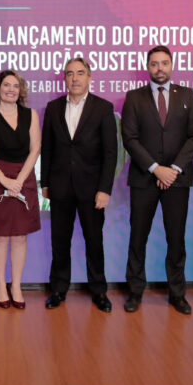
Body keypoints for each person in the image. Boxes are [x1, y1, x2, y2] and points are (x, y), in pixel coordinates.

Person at [120, 45, 193, 315]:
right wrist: (156, 169)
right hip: (144, 179)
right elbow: (130, 139)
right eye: (154, 64)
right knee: (138, 237)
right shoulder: (134, 97)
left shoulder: (187, 95)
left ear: (172, 65)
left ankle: (177, 293)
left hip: (177, 180)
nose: (159, 68)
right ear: (148, 67)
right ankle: (135, 292)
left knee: (175, 239)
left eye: (164, 63)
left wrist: (174, 169)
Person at [39, 57, 117, 313]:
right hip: (60, 188)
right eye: (70, 74)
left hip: (92, 190)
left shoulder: (103, 108)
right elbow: (47, 148)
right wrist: (45, 184)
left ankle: (99, 291)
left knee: (94, 242)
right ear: (65, 78)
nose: (75, 78)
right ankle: (58, 289)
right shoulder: (52, 108)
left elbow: (110, 153)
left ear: (89, 77)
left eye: (80, 73)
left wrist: (104, 189)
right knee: (59, 242)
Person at [0, 70, 41, 309]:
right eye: (6, 85)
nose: (11, 89)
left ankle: (17, 286)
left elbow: (35, 150)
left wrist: (19, 180)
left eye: (15, 86)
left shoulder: (30, 115)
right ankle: (2, 285)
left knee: (20, 235)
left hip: (23, 177)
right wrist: (4, 180)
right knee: (0, 235)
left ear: (20, 90)